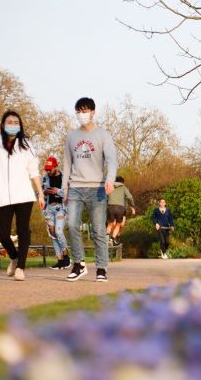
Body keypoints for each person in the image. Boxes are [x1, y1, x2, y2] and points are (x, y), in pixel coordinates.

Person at [62, 97, 117, 283]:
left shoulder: (103, 135)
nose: (82, 114)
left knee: (98, 231)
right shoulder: (71, 136)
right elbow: (67, 164)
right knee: (71, 225)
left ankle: (101, 268)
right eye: (79, 111)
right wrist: (65, 189)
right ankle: (79, 264)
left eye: (85, 111)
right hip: (76, 187)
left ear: (93, 112)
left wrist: (110, 179)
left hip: (97, 189)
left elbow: (111, 160)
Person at [0, 110, 44, 282]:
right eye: (9, 122)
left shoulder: (26, 144)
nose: (12, 125)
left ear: (20, 125)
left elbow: (33, 171)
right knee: (3, 234)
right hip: (3, 195)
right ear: (3, 125)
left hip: (24, 195)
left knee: (23, 230)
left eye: (15, 122)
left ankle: (20, 268)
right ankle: (14, 256)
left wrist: (40, 193)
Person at [41, 156, 69, 270]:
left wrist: (58, 191)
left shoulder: (64, 178)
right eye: (47, 169)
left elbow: (70, 193)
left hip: (60, 208)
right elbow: (39, 193)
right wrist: (44, 192)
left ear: (56, 167)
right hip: (49, 209)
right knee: (52, 234)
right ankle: (60, 260)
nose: (48, 171)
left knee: (58, 231)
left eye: (50, 169)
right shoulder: (45, 178)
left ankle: (66, 256)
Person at [106, 175, 135, 245]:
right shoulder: (124, 187)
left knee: (110, 224)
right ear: (122, 182)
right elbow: (130, 197)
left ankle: (106, 238)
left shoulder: (110, 187)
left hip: (110, 207)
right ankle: (112, 238)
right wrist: (132, 206)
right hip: (120, 208)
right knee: (118, 224)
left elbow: (104, 196)